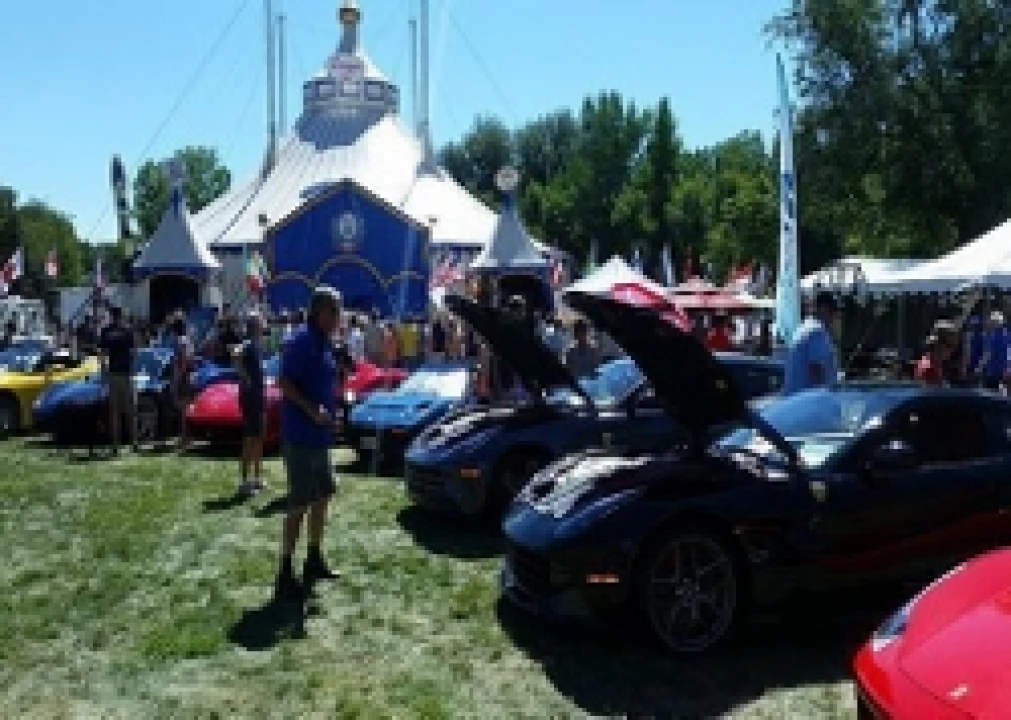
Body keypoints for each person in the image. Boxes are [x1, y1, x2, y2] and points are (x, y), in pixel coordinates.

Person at [274, 287, 348, 601]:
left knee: (323, 496)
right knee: (300, 503)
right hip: (301, 437)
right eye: (336, 311)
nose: (340, 317)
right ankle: (284, 570)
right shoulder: (302, 341)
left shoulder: (324, 342)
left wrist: (333, 410)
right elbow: (283, 382)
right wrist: (312, 410)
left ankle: (313, 559)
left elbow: (323, 382)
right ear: (320, 313)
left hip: (319, 437)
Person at [783, 291, 840, 395]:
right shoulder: (817, 331)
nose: (834, 318)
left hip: (794, 399)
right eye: (833, 312)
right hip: (808, 399)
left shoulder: (803, 328)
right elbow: (817, 369)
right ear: (823, 309)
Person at [235, 312, 267, 496]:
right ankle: (245, 482)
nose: (263, 324)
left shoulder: (257, 345)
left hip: (258, 396)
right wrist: (245, 378)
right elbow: (236, 355)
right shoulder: (247, 344)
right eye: (261, 322)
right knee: (249, 438)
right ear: (255, 325)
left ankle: (257, 478)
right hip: (250, 397)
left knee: (259, 437)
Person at [98, 306, 137, 454]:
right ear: (121, 316)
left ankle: (115, 445)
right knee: (130, 410)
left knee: (114, 411)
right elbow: (134, 352)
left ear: (111, 316)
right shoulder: (128, 331)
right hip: (125, 373)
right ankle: (134, 443)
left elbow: (102, 354)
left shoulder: (106, 331)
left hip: (113, 373)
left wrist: (104, 372)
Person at [170, 314, 195, 451]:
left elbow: (183, 360)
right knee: (185, 408)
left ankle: (185, 438)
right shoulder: (187, 340)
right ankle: (186, 436)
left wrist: (178, 377)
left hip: (183, 377)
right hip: (188, 375)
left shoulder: (181, 341)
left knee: (183, 409)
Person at [914, 321, 957, 387]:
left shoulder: (935, 363)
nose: (952, 351)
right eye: (949, 346)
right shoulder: (929, 367)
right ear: (939, 345)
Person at [979, 310, 1008, 392]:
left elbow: (987, 354)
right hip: (1005, 372)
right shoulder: (1008, 334)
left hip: (993, 372)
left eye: (991, 321)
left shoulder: (991, 335)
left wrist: (979, 368)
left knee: (990, 394)